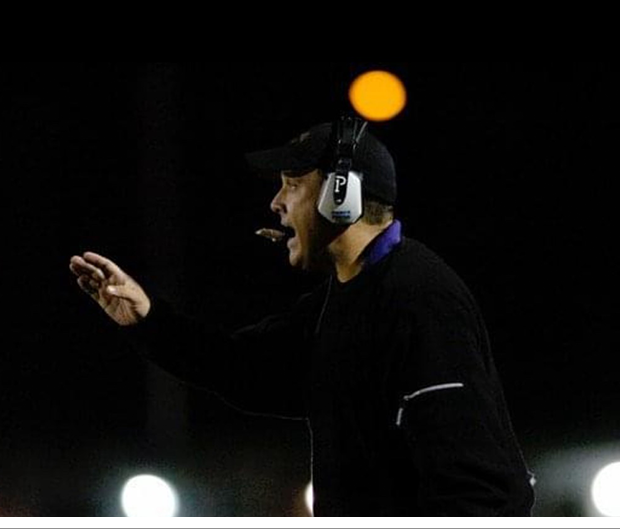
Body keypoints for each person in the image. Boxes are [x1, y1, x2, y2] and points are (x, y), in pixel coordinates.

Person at [69, 119, 534, 517]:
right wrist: (148, 320)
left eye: (292, 183)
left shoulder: (420, 299)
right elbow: (243, 368)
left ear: (341, 194)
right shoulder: (339, 301)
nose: (276, 203)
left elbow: (476, 489)